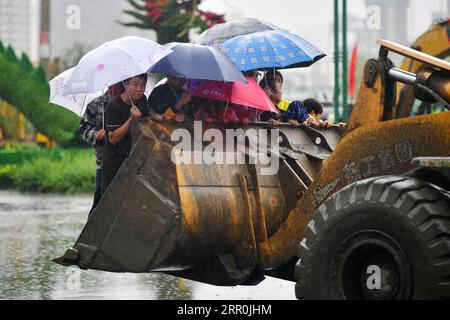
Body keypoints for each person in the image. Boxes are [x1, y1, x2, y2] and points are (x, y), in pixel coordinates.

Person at [79, 83, 124, 216]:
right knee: (101, 196)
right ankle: (92, 231)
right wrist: (96, 135)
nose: (114, 89)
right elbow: (83, 128)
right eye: (111, 86)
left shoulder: (130, 103)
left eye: (117, 86)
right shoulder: (96, 104)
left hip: (126, 158)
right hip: (104, 159)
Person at [102, 74, 148, 195]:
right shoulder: (113, 106)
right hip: (115, 162)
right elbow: (113, 138)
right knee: (107, 202)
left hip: (134, 160)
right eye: (135, 84)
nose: (139, 89)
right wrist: (131, 119)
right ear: (126, 84)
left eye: (142, 85)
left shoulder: (143, 100)